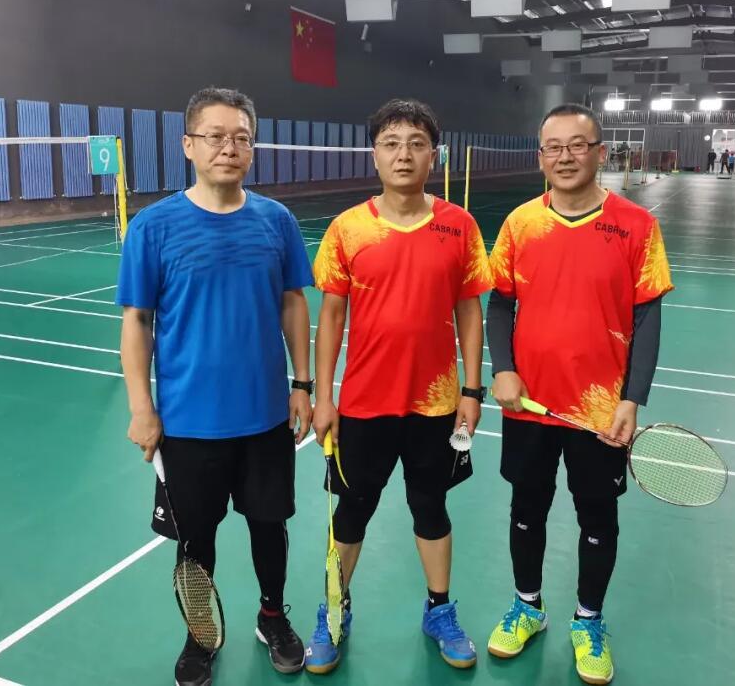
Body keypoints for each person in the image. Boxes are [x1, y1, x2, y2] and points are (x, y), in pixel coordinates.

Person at [117, 87, 314, 685]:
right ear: (188, 145)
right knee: (195, 540)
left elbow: (293, 303)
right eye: (215, 136)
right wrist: (142, 408)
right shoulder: (153, 227)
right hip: (187, 423)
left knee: (269, 527)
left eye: (241, 138)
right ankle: (201, 635)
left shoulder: (276, 221)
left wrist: (302, 383)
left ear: (252, 148)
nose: (229, 148)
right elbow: (137, 322)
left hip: (265, 417)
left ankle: (272, 616)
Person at [485, 104, 674, 685]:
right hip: (529, 404)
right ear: (540, 156)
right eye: (553, 147)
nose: (564, 157)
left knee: (597, 514)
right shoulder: (520, 223)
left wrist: (632, 398)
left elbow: (647, 317)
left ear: (600, 152)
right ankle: (527, 607)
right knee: (526, 508)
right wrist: (503, 369)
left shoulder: (636, 225)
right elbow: (500, 303)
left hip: (599, 411)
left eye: (577, 145)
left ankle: (588, 619)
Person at [306, 98, 493, 674]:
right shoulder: (348, 228)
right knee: (352, 512)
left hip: (435, 404)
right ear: (375, 155)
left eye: (416, 143)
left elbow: (469, 311)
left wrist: (472, 391)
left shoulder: (459, 226)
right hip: (364, 403)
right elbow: (331, 316)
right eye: (391, 143)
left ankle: (439, 610)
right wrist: (324, 397)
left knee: (430, 506)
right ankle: (334, 609)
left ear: (434, 155)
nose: (403, 154)